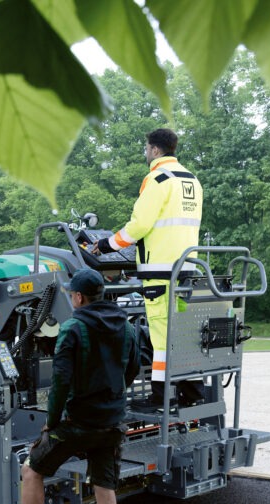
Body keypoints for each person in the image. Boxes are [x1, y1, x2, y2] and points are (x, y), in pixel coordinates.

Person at [0, 268, 140, 504]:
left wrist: (51, 422)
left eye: (72, 294)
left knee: (32, 469)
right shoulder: (127, 327)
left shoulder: (72, 328)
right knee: (104, 487)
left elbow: (60, 383)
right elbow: (132, 369)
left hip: (76, 422)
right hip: (111, 422)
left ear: (79, 297)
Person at [94, 128, 205, 410]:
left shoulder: (157, 178)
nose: (145, 152)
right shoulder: (191, 180)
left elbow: (140, 226)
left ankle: (159, 398)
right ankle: (192, 394)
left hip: (160, 273)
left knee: (161, 337)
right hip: (186, 268)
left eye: (146, 148)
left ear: (155, 150)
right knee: (183, 333)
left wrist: (107, 245)